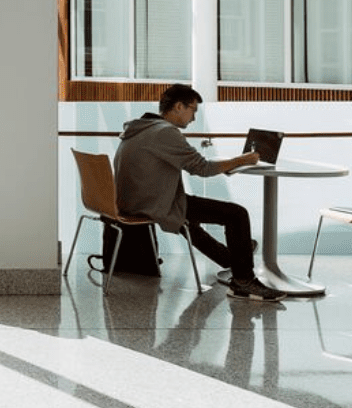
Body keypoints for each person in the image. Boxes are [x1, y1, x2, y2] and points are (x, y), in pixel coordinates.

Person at [113, 83, 283, 302]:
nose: (193, 118)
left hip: (132, 200)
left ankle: (231, 257)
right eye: (193, 110)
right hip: (152, 203)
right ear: (178, 106)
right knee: (236, 214)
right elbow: (202, 168)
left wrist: (231, 163)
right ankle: (243, 281)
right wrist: (241, 160)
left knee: (188, 219)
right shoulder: (165, 132)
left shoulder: (140, 128)